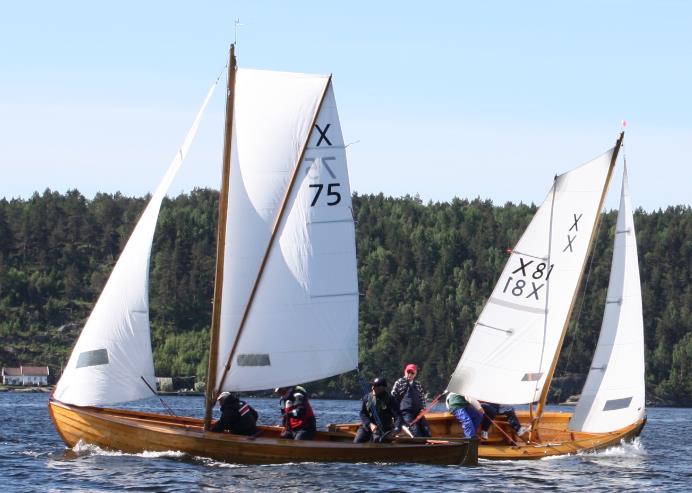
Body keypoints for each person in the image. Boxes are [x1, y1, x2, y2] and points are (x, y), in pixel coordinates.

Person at [354, 377, 403, 443]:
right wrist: (370, 424)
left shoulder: (390, 399)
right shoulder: (367, 397)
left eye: (375, 386)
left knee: (377, 440)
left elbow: (398, 416)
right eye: (372, 385)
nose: (372, 388)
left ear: (382, 388)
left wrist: (396, 429)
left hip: (383, 429)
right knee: (358, 440)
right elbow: (363, 413)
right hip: (368, 427)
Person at [391, 363, 431, 437]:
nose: (410, 374)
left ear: (415, 374)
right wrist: (394, 414)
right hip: (406, 414)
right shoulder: (399, 382)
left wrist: (423, 409)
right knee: (416, 434)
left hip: (418, 413)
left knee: (427, 432)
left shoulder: (418, 384)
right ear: (405, 372)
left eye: (412, 373)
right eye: (408, 372)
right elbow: (392, 397)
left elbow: (422, 398)